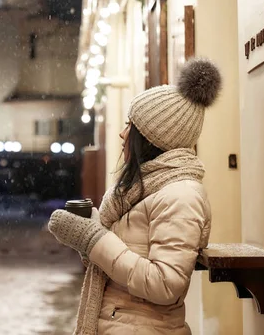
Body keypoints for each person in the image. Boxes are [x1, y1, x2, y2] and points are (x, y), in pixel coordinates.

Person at [48, 58, 221, 334]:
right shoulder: (148, 188)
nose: (122, 133)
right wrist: (88, 228)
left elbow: (166, 284)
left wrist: (94, 239)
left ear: (153, 139)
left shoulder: (181, 196)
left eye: (131, 126)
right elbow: (127, 253)